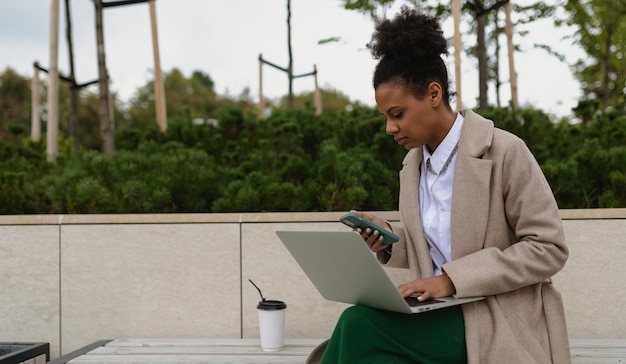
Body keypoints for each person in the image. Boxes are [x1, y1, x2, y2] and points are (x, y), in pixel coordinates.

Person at [306, 6, 570, 364]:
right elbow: (432, 247)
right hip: (437, 310)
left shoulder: (505, 151)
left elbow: (548, 248)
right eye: (385, 117)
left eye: (397, 114)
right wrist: (389, 240)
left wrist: (451, 280)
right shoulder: (413, 166)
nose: (389, 128)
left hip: (494, 315)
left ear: (434, 93)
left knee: (358, 326)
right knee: (365, 342)